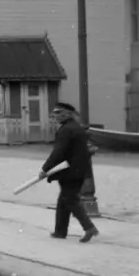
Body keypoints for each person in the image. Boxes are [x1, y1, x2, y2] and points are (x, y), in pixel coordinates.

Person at [39, 102, 98, 242]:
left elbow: (58, 152)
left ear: (68, 114)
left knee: (70, 199)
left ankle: (89, 227)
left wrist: (44, 169)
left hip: (69, 172)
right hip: (78, 171)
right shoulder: (76, 128)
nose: (56, 116)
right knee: (63, 201)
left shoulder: (66, 130)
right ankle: (60, 231)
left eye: (59, 112)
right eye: (54, 113)